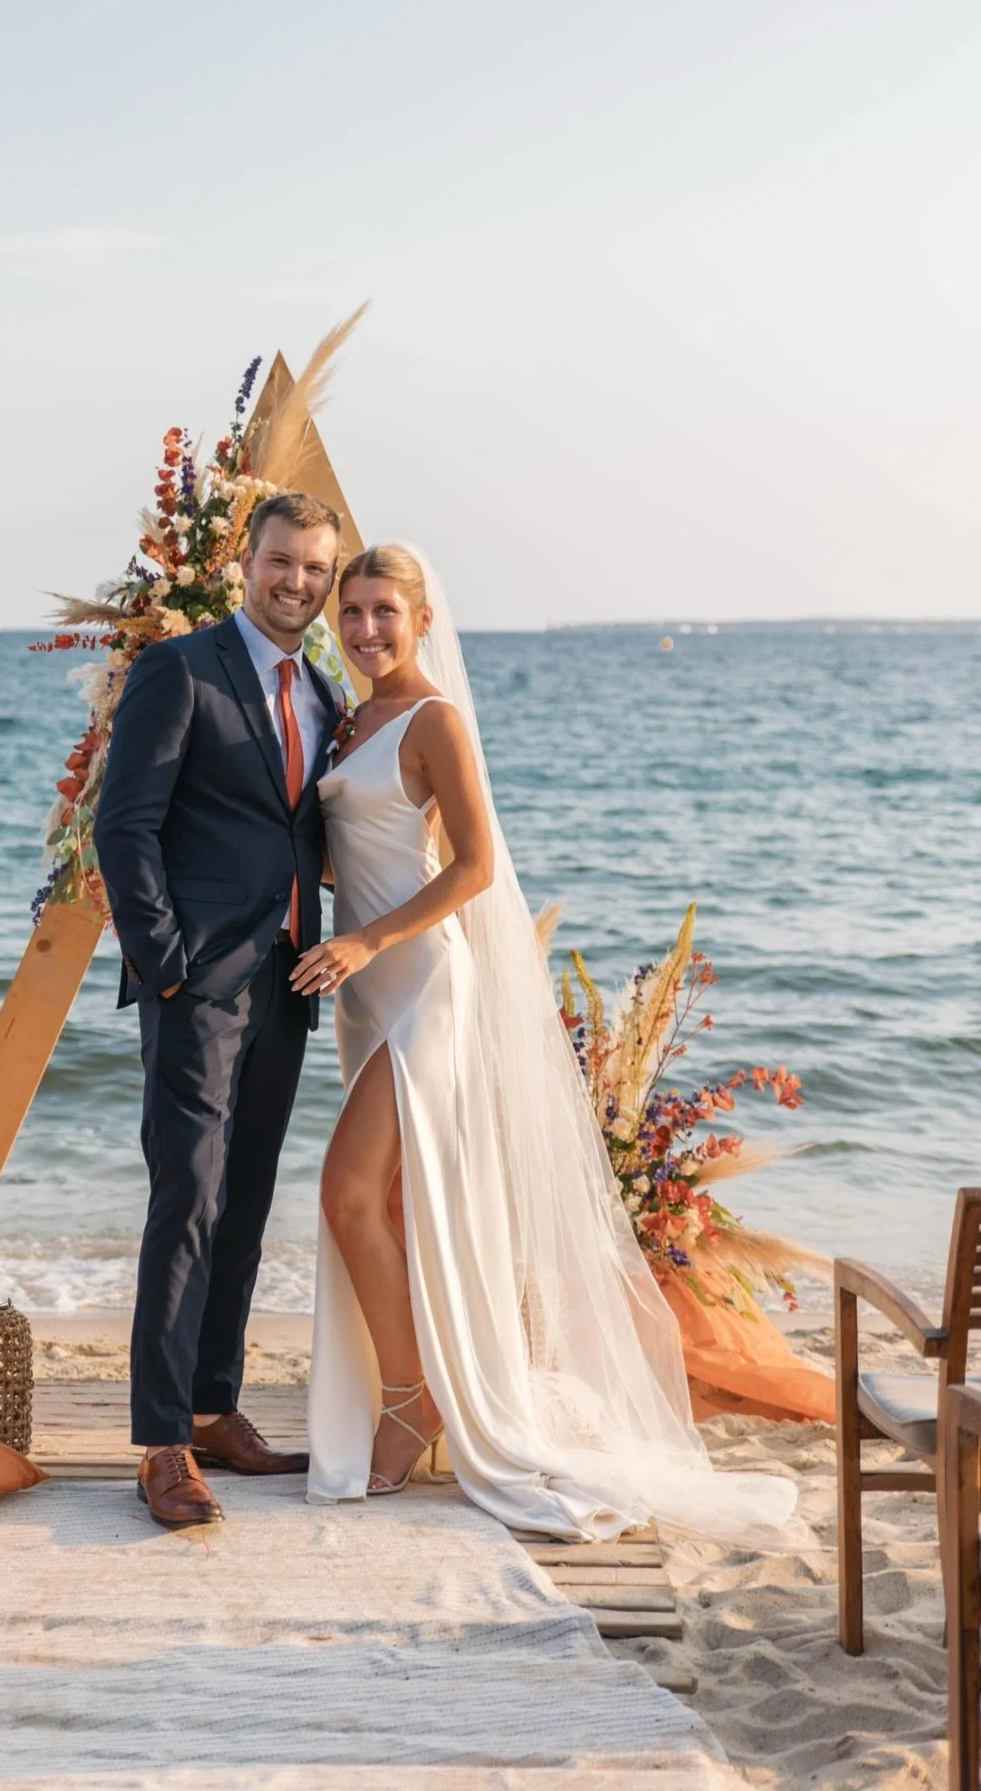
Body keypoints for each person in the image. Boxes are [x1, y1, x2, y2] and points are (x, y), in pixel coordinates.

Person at [296, 543, 796, 1541]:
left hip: (427, 985)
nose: (364, 631)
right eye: (349, 614)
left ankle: (413, 1401)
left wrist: (364, 939)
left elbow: (476, 866)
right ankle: (421, 1382)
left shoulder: (435, 720)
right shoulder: (353, 718)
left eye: (383, 612)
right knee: (397, 1203)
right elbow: (365, 851)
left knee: (348, 1194)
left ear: (424, 616)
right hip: (367, 992)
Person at [94, 491, 346, 1527]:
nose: (297, 582)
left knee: (245, 1199)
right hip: (197, 980)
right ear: (247, 562)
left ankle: (213, 1407)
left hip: (285, 977)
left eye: (316, 570)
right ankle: (160, 1442)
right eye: (282, 561)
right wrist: (165, 966)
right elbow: (125, 825)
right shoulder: (181, 668)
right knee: (185, 1199)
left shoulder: (325, 692)